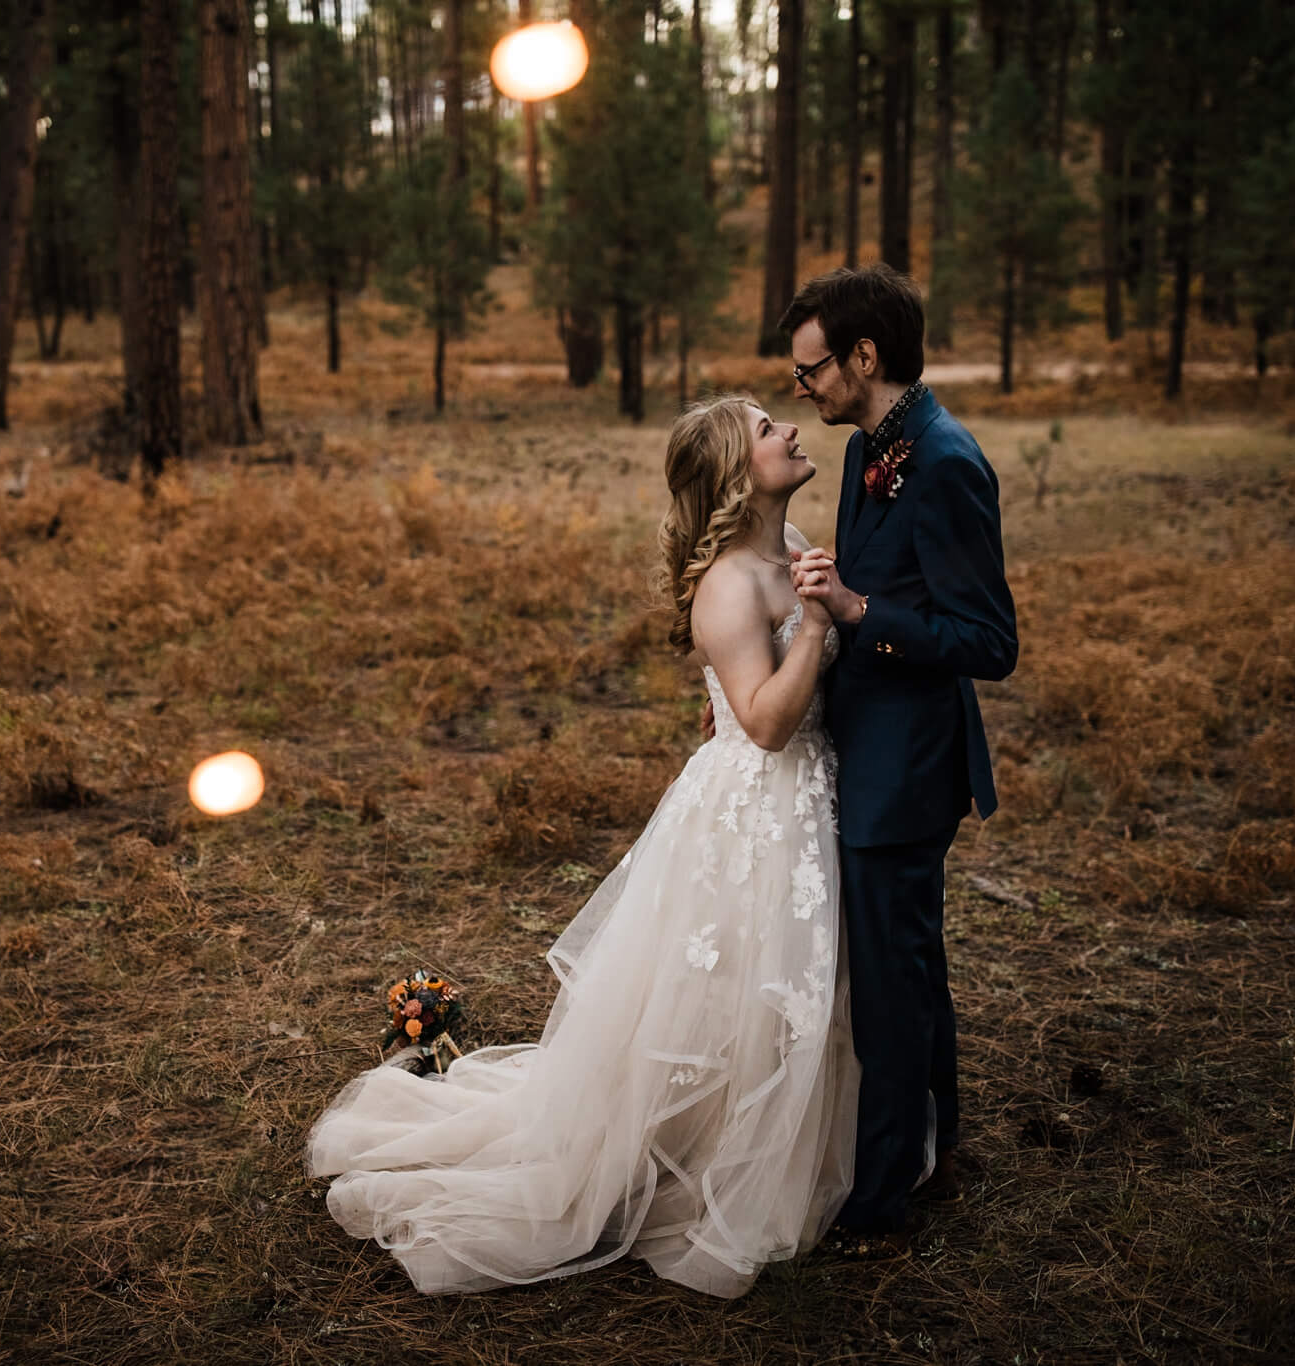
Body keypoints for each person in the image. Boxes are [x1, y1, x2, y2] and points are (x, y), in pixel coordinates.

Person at [306, 394, 859, 1298]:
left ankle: (776, 1142)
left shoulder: (791, 545)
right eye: (767, 429)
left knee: (790, 991)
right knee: (731, 995)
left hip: (803, 806)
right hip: (758, 801)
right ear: (732, 471)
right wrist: (824, 624)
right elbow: (761, 723)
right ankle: (696, 1160)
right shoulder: (728, 581)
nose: (791, 430)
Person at [769, 263, 1018, 1258]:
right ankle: (927, 1147)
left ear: (863, 357)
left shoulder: (944, 460)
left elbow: (987, 641)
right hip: (863, 752)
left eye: (809, 367)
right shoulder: (875, 447)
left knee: (888, 981)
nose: (799, 386)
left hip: (905, 771)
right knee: (900, 966)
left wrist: (863, 613)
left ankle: (880, 1193)